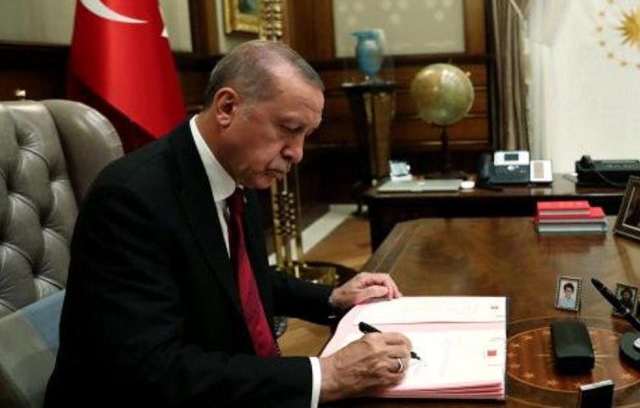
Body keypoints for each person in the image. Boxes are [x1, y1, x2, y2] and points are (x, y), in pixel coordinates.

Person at [45, 41, 413, 407]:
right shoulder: (131, 198)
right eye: (288, 128)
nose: (297, 152)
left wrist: (331, 298)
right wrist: (324, 375)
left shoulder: (236, 169)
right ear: (227, 108)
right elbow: (149, 370)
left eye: (306, 135)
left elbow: (236, 276)